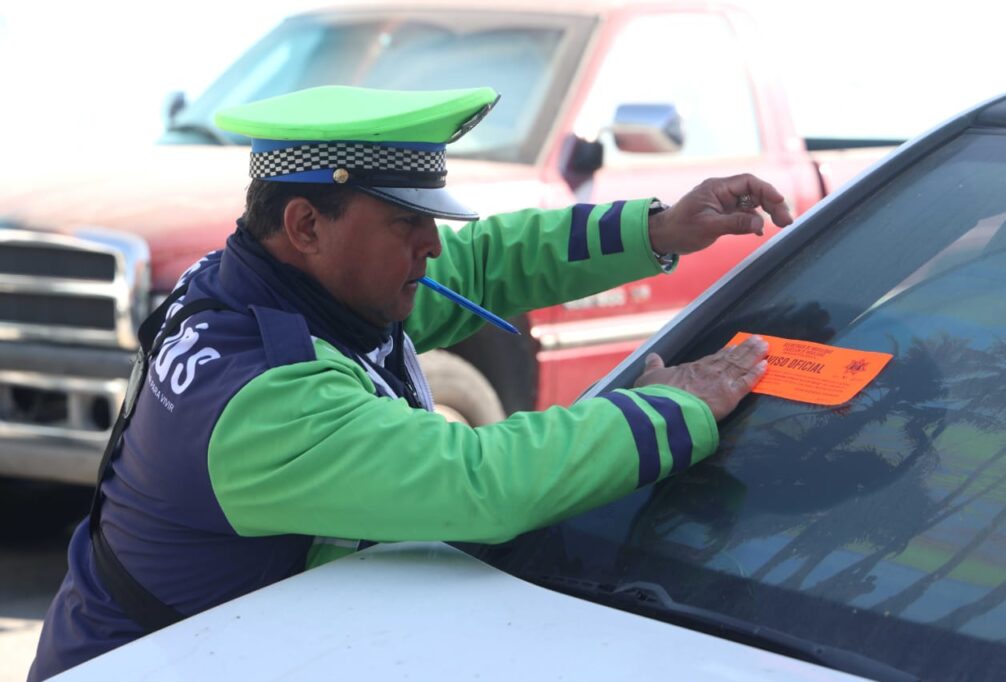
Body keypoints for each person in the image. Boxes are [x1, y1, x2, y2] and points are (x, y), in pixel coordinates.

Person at [29, 84, 791, 679]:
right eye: (406, 220)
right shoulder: (263, 397)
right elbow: (481, 482)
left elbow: (484, 260)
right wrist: (672, 409)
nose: (432, 242)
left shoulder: (267, 281)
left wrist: (659, 227)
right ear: (305, 225)